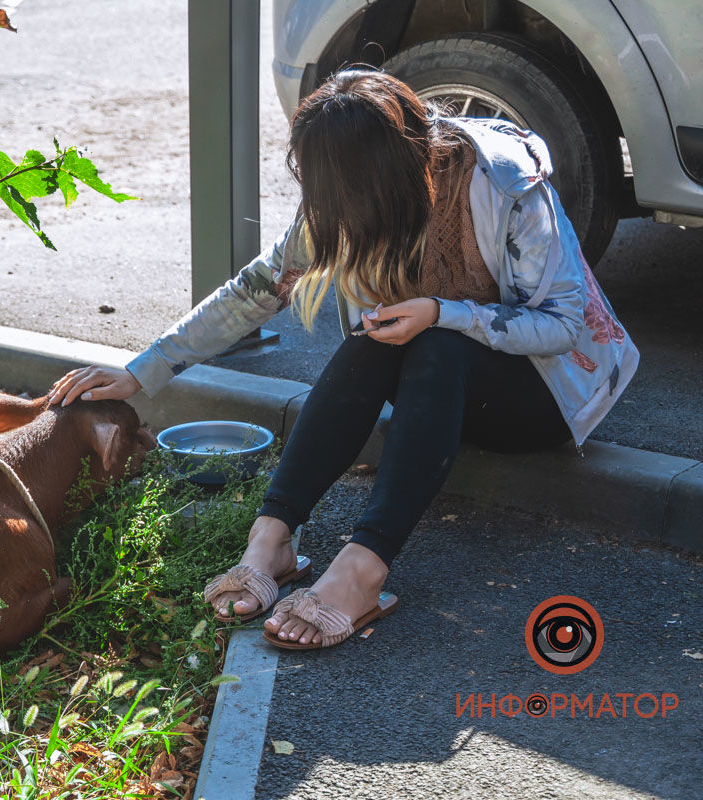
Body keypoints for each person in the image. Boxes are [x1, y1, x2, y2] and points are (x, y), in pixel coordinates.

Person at [48, 70, 638, 651]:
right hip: (441, 392)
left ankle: (362, 573)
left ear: (393, 176)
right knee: (372, 340)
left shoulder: (505, 183)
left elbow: (563, 326)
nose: (336, 216)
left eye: (346, 200)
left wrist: (441, 311)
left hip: (543, 396)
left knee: (431, 340)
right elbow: (256, 289)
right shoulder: (346, 192)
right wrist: (140, 371)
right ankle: (272, 542)